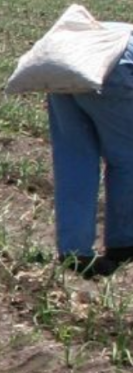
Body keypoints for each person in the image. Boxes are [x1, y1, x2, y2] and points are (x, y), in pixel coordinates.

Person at [47, 24, 133, 279]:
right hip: (115, 66)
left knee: (75, 161)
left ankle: (74, 252)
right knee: (127, 159)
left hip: (63, 64)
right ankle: (124, 244)